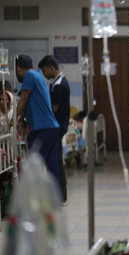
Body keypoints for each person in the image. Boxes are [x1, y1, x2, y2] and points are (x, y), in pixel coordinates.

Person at [15, 55, 61, 193]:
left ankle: (37, 198)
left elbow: (23, 99)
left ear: (18, 69)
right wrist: (22, 117)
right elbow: (31, 100)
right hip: (52, 127)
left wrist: (12, 119)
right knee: (52, 164)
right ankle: (55, 197)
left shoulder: (28, 75)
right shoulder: (38, 74)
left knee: (36, 164)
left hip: (43, 129)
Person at [38, 55, 70, 205]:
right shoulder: (60, 82)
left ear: (51, 68)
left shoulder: (59, 85)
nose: (43, 74)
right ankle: (61, 194)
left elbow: (54, 108)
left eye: (44, 71)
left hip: (57, 126)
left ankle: (61, 195)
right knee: (57, 160)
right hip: (60, 125)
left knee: (57, 161)